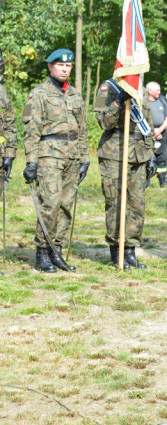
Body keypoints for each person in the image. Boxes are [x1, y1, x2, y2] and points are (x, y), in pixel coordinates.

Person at [21, 48, 88, 273]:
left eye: (68, 66)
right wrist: (31, 161)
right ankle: (42, 252)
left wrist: (85, 157)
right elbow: (32, 130)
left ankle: (56, 251)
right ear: (50, 67)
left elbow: (82, 129)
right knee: (50, 204)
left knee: (66, 206)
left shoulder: (76, 95)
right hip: (48, 156)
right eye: (60, 65)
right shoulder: (39, 93)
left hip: (72, 156)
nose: (64, 69)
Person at [93, 78, 157, 269]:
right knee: (115, 203)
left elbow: (148, 124)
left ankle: (130, 250)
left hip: (138, 154)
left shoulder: (140, 89)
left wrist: (150, 153)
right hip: (115, 152)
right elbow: (103, 122)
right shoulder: (108, 88)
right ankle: (116, 250)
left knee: (137, 205)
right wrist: (117, 102)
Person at [147, 81, 167, 187]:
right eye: (157, 90)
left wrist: (159, 131)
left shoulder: (162, 100)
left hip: (162, 133)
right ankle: (146, 181)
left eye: (159, 90)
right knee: (147, 158)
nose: (159, 92)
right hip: (146, 133)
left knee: (162, 158)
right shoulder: (144, 102)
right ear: (149, 91)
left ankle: (163, 182)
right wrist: (153, 132)